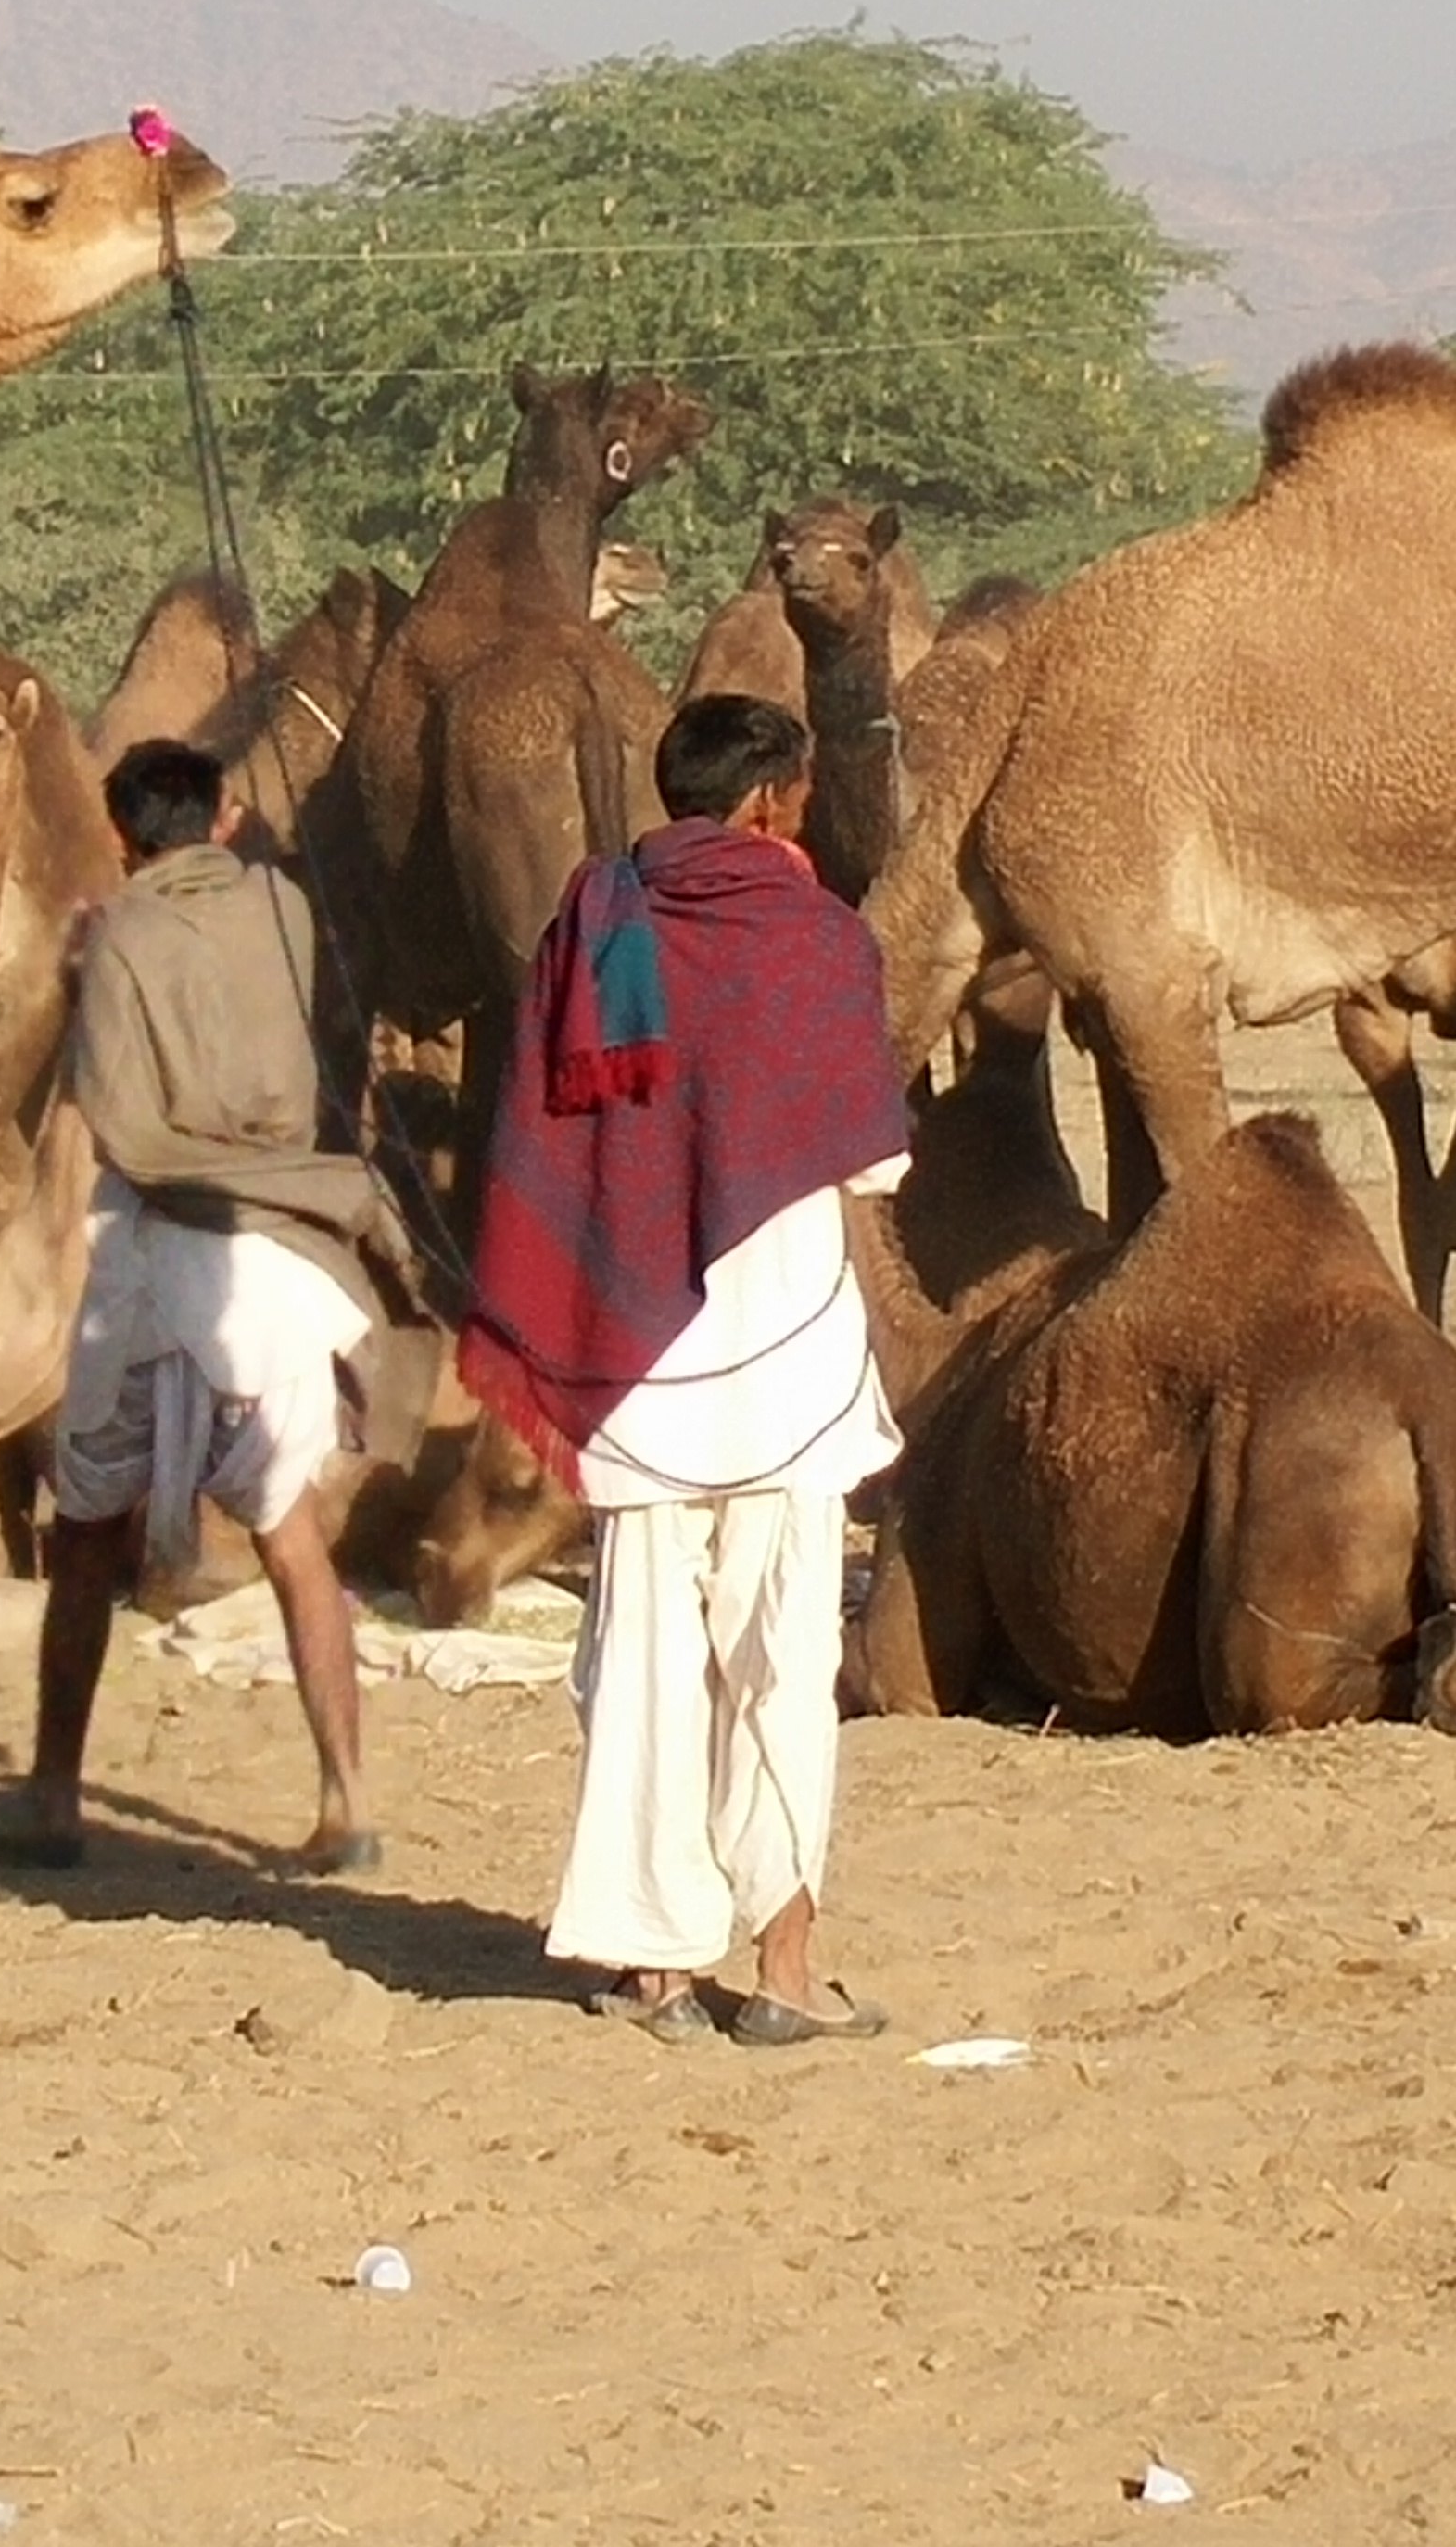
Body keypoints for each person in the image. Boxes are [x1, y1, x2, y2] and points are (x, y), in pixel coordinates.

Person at [461, 692, 915, 2046]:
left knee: (643, 1663)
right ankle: (783, 1975)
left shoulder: (598, 923)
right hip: (783, 1364)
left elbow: (565, 1128)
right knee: (783, 1662)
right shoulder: (814, 938)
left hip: (632, 1365)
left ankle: (651, 1969)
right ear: (777, 800)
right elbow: (871, 1158)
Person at [0, 736, 399, 1876]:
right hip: (285, 1263)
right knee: (292, 1540)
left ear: (120, 836)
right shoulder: (285, 911)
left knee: (85, 1539)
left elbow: (112, 1114)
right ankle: (346, 1801)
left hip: (159, 1269)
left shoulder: (121, 935)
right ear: (229, 815)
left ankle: (52, 1797)